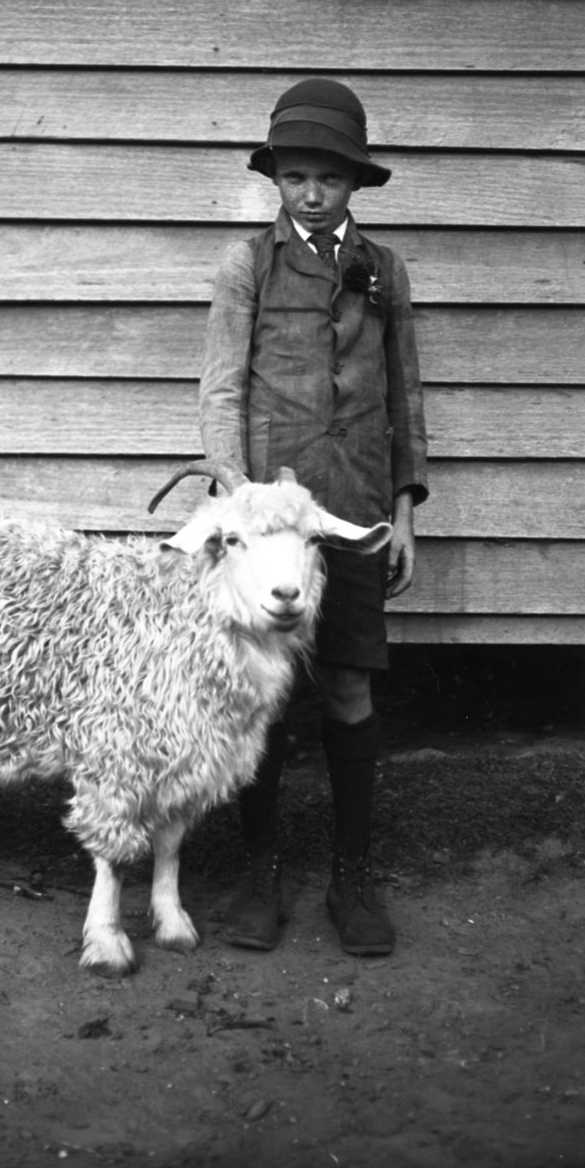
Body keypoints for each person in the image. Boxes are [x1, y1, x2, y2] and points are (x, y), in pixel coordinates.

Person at [199, 77, 428, 956]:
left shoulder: (385, 270)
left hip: (360, 509)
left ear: (354, 183)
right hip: (271, 525)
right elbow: (223, 386)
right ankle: (260, 876)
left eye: (328, 178)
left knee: (347, 685)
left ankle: (353, 881)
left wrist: (402, 511)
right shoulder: (248, 266)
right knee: (265, 697)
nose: (311, 193)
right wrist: (233, 494)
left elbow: (403, 396)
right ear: (276, 182)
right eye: (294, 177)